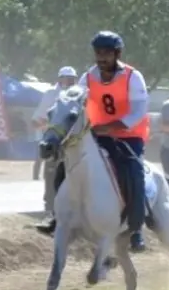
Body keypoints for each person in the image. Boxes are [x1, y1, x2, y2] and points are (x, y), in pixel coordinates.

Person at [36, 31, 151, 252]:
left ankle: (136, 229)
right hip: (97, 134)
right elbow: (75, 101)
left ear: (117, 54)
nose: (101, 58)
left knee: (134, 171)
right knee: (65, 166)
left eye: (106, 53)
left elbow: (139, 110)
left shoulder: (133, 77)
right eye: (98, 53)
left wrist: (112, 126)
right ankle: (55, 216)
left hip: (129, 136)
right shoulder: (87, 77)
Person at [32, 66, 78, 218]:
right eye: (66, 78)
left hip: (73, 142)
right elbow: (37, 119)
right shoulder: (51, 94)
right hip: (55, 141)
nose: (69, 82)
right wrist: (48, 127)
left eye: (72, 79)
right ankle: (49, 206)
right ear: (60, 79)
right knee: (51, 174)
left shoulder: (78, 94)